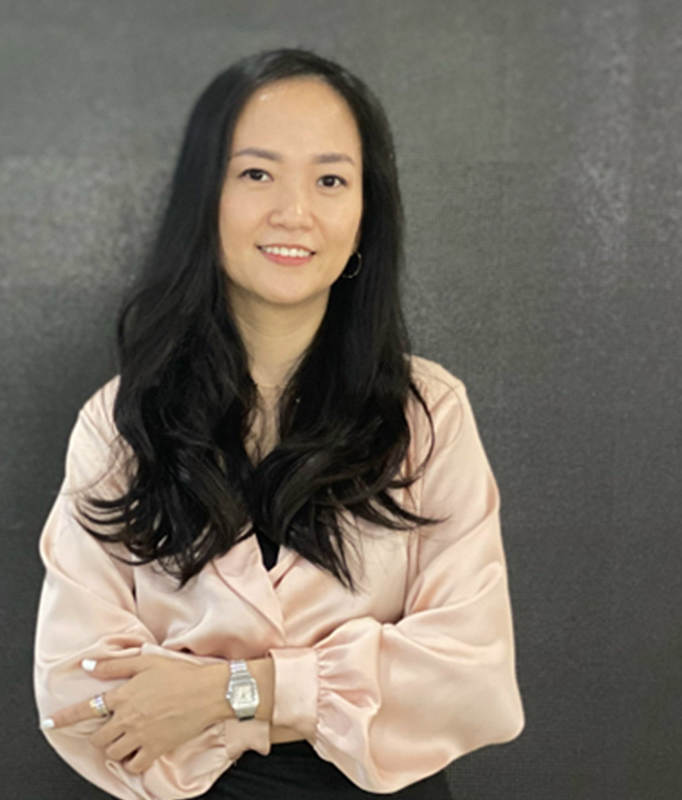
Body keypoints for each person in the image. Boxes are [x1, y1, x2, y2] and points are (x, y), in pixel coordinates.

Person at [33, 48, 525, 800]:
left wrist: (226, 692)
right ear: (206, 196)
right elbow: (79, 691)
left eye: (330, 180)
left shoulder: (427, 414)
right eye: (257, 173)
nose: (294, 212)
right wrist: (343, 696)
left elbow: (472, 677)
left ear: (366, 214)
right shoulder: (122, 422)